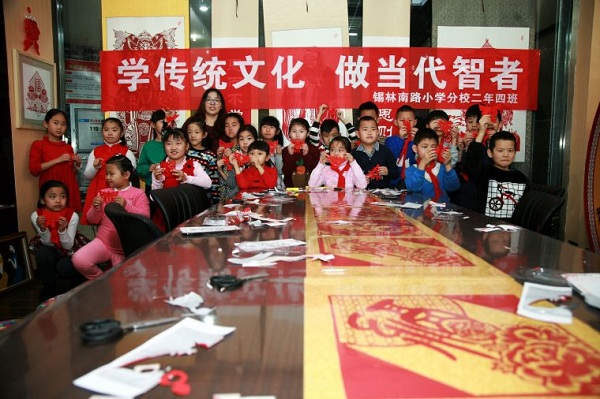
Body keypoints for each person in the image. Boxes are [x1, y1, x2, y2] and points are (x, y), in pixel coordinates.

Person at [72, 155, 150, 280]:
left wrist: (126, 205)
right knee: (79, 260)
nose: (107, 177)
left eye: (111, 174)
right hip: (104, 242)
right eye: (106, 174)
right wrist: (96, 207)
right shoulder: (104, 192)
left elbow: (145, 218)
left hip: (127, 247)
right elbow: (92, 220)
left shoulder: (138, 194)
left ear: (126, 175)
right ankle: (102, 282)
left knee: (123, 282)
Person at [30, 180, 87, 301]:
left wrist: (62, 230)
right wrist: (43, 229)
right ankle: (49, 286)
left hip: (71, 249)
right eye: (52, 196)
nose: (58, 200)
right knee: (43, 253)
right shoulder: (37, 216)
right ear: (42, 200)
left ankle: (78, 281)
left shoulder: (72, 215)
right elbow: (48, 243)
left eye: (63, 196)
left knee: (64, 267)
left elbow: (68, 246)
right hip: (51, 247)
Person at [81, 117, 136, 224]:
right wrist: (95, 167)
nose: (110, 133)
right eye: (106, 130)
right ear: (102, 132)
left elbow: (132, 174)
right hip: (98, 188)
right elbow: (88, 175)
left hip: (119, 189)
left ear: (121, 133)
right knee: (98, 218)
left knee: (118, 220)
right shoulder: (96, 151)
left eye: (114, 130)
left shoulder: (127, 152)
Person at [463, 130, 529, 219]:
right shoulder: (483, 172)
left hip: (513, 228)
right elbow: (471, 160)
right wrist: (482, 130)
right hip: (485, 226)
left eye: (510, 151)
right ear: (490, 153)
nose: (506, 155)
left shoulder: (521, 178)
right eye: (500, 150)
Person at [29, 108, 82, 212]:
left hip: (68, 187)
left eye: (63, 124)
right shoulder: (38, 145)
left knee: (69, 219)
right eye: (56, 123)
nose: (59, 127)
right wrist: (58, 159)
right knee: (50, 219)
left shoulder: (68, 147)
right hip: (50, 188)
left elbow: (72, 172)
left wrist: (77, 165)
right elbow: (34, 169)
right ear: (46, 124)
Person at [405, 128, 460, 203]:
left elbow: (453, 187)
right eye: (424, 147)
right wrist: (423, 164)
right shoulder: (411, 170)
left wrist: (448, 165)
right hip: (419, 210)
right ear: (415, 149)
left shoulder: (442, 168)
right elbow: (414, 188)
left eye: (433, 147)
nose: (430, 150)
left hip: (441, 210)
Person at [352, 116, 399, 189]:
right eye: (365, 129)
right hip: (361, 193)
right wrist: (357, 180)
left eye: (373, 129)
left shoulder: (385, 151)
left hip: (383, 193)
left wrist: (388, 172)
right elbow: (349, 176)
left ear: (378, 132)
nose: (369, 133)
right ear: (358, 134)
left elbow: (396, 172)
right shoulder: (354, 154)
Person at [184, 117, 221, 204]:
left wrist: (215, 202)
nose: (193, 135)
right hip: (184, 196)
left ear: (204, 134)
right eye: (190, 132)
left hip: (202, 198)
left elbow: (214, 181)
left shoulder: (210, 156)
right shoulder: (183, 152)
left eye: (197, 132)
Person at [218, 124, 258, 198]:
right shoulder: (234, 157)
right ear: (238, 141)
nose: (245, 142)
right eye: (241, 139)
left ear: (255, 140)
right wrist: (220, 170)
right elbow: (232, 184)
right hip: (237, 199)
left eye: (249, 138)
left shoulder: (260, 157)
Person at [384, 105, 419, 189]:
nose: (406, 123)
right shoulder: (390, 141)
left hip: (413, 183)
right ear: (396, 122)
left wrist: (418, 140)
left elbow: (421, 160)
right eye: (402, 120)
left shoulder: (419, 140)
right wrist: (401, 139)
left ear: (415, 122)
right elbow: (392, 159)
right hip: (393, 183)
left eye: (410, 120)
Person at [281, 117, 321, 188]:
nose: (297, 135)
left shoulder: (314, 150)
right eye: (294, 131)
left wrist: (306, 155)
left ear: (308, 133)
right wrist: (290, 155)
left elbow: (315, 173)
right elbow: (286, 172)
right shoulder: (285, 150)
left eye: (301, 131)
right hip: (291, 189)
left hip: (310, 189)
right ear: (289, 134)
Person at [137, 110, 167, 196]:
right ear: (153, 124)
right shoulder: (148, 146)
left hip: (172, 187)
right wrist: (149, 168)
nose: (166, 124)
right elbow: (140, 168)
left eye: (168, 122)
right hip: (152, 186)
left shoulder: (175, 144)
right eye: (162, 122)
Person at [190, 88, 227, 154]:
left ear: (221, 105)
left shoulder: (226, 124)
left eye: (216, 100)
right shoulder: (193, 122)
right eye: (209, 100)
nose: (212, 103)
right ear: (203, 103)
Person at [259, 116, 285, 187]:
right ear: (260, 130)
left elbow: (280, 171)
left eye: (271, 127)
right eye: (264, 127)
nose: (267, 130)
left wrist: (279, 155)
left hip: (276, 184)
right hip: (259, 182)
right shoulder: (256, 146)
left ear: (277, 131)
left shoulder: (280, 148)